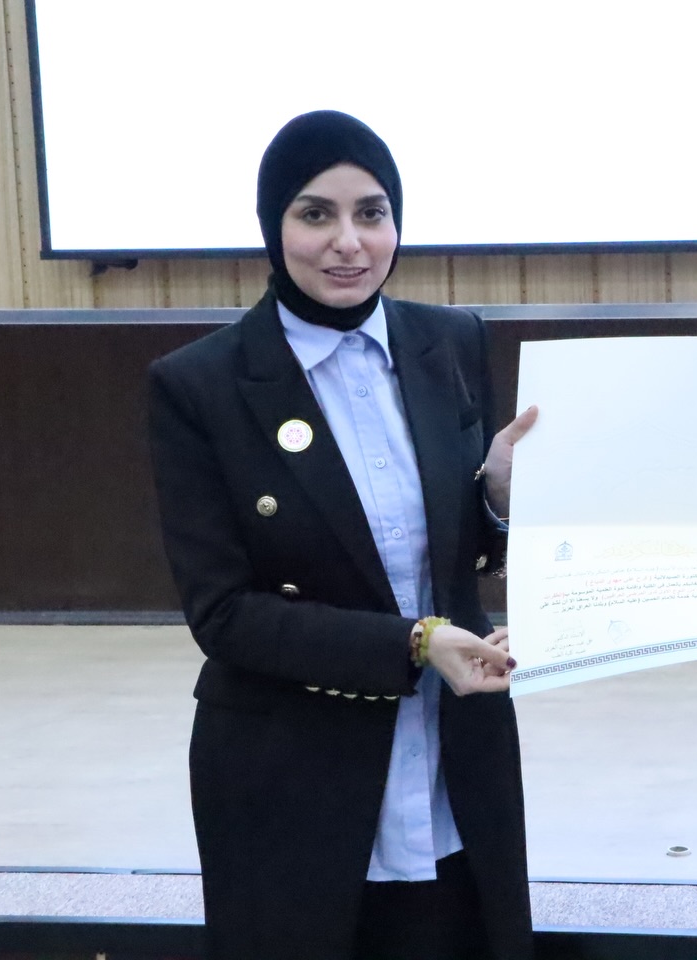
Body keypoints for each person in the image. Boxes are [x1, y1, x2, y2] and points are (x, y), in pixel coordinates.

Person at [148, 110, 536, 960]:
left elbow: (457, 554)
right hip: (293, 773)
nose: (349, 242)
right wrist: (414, 643)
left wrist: (500, 503)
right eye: (315, 214)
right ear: (272, 226)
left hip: (455, 758)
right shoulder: (199, 386)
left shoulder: (451, 342)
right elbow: (224, 614)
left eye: (372, 212)